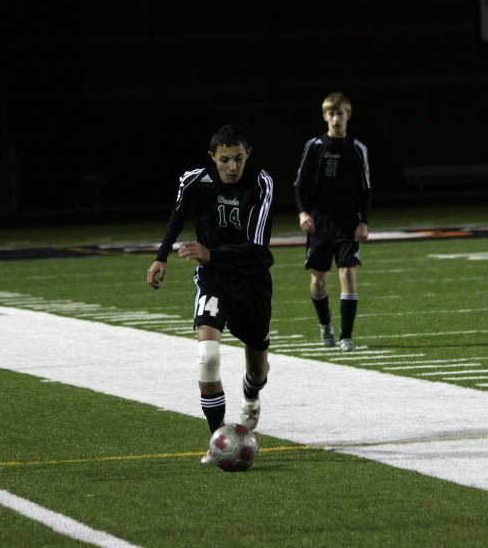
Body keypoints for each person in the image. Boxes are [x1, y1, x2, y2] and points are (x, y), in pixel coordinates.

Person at [146, 124, 274, 464]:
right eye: (224, 160)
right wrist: (161, 257)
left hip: (251, 282)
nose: (232, 167)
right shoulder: (195, 180)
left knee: (258, 370)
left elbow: (260, 252)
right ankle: (217, 440)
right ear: (212, 158)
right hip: (213, 280)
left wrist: (212, 253)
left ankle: (251, 396)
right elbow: (177, 216)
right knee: (207, 357)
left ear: (249, 155)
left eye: (239, 159)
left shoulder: (261, 183)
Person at [293, 92, 371, 352]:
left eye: (340, 113)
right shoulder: (314, 146)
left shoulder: (358, 149)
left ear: (348, 115)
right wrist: (304, 213)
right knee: (318, 281)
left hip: (348, 222)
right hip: (319, 222)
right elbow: (299, 184)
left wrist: (364, 221)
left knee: (348, 273)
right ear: (325, 116)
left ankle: (347, 336)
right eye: (331, 114)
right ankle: (325, 324)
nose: (336, 118)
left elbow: (365, 189)